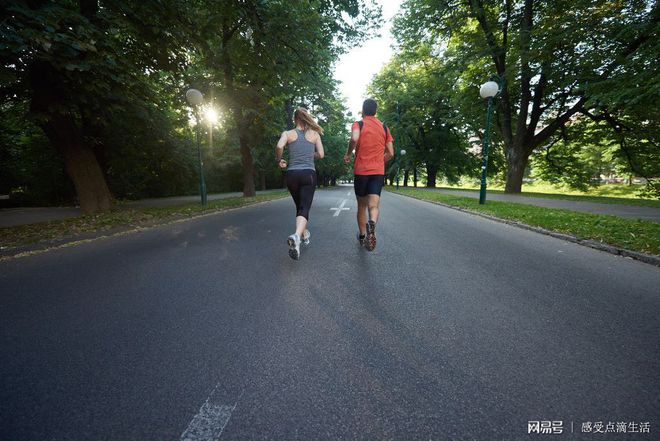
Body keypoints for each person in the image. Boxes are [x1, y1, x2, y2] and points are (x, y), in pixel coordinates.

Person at [343, 98, 394, 251]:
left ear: (363, 110)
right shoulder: (384, 127)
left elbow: (354, 138)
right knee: (373, 205)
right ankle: (372, 222)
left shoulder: (358, 124)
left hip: (361, 171)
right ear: (376, 111)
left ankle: (363, 236)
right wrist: (379, 161)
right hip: (377, 172)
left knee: (361, 206)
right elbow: (391, 153)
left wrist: (348, 154)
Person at [276, 107, 324, 260]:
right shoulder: (314, 135)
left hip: (292, 175)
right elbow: (321, 155)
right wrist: (311, 154)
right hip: (308, 174)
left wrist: (279, 159)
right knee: (304, 207)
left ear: (295, 119)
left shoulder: (288, 134)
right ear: (306, 118)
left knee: (300, 206)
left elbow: (279, 146)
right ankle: (297, 236)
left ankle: (303, 234)